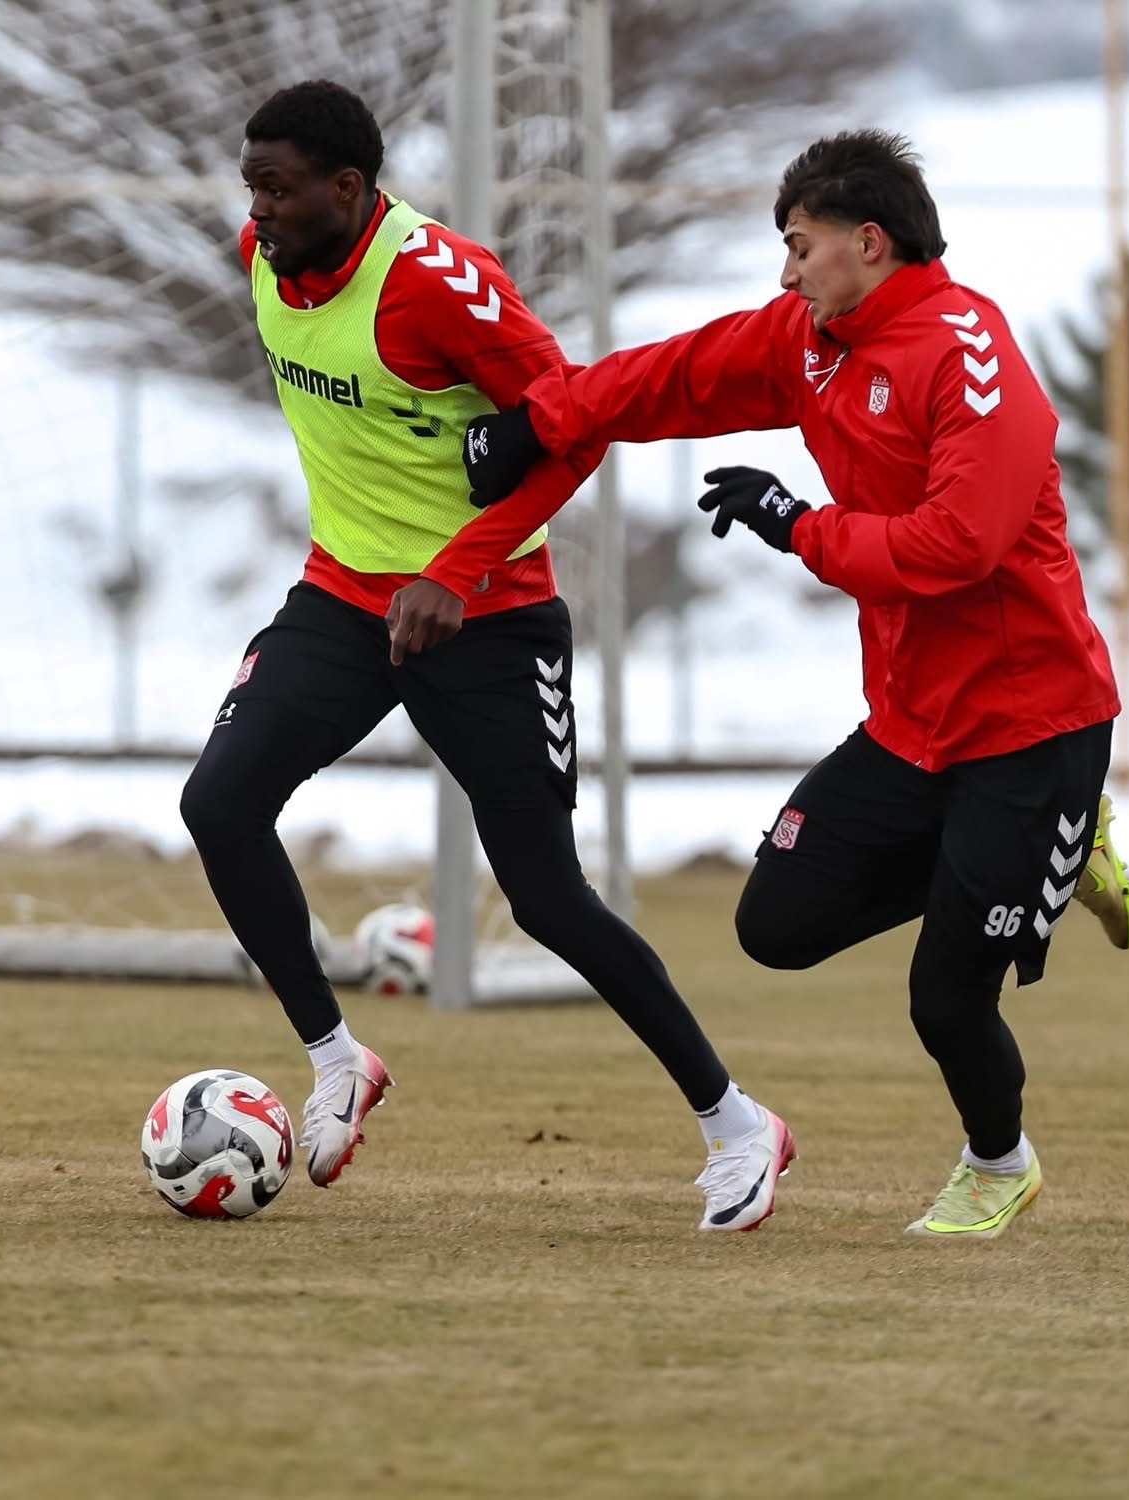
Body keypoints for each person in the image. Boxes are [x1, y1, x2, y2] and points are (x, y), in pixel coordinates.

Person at [459, 129, 1129, 1241]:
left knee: (945, 998)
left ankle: (998, 1162)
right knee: (776, 922)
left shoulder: (972, 358)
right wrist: (541, 421)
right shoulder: (813, 340)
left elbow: (957, 545)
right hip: (912, 726)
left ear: (869, 242)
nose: (785, 274)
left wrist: (798, 526)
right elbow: (676, 374)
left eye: (800, 247)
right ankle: (1036, 867)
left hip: (1033, 729)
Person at [180, 79, 795, 1232]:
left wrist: (456, 575)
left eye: (276, 187)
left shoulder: (437, 284)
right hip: (342, 600)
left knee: (549, 900)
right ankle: (336, 1059)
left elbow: (575, 427)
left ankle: (737, 1123)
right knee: (218, 803)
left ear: (349, 189)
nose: (254, 210)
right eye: (249, 186)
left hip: (491, 618)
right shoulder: (268, 251)